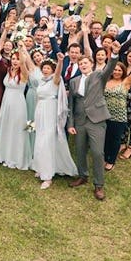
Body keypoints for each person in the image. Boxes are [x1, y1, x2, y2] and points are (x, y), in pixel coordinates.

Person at [66, 41, 120, 201]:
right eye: (80, 63)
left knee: (97, 152)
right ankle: (83, 175)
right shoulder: (74, 81)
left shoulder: (99, 75)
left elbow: (110, 67)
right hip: (80, 120)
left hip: (96, 120)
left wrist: (115, 54)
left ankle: (99, 185)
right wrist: (71, 124)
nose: (83, 65)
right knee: (81, 150)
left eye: (85, 63)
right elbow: (71, 104)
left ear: (91, 64)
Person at [31, 54, 78, 189]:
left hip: (50, 111)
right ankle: (41, 167)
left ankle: (48, 176)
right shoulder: (41, 81)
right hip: (40, 111)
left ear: (52, 70)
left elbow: (58, 72)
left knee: (47, 140)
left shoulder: (55, 80)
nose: (45, 70)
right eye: (44, 68)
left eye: (48, 68)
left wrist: (60, 61)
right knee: (40, 139)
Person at [0, 46, 32, 170]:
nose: (15, 61)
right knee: (7, 126)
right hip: (6, 102)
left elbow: (24, 67)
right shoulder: (9, 70)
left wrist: (21, 49)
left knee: (18, 128)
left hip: (18, 103)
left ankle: (16, 156)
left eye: (18, 59)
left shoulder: (24, 73)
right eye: (13, 59)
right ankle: (4, 153)